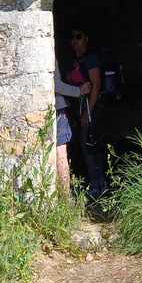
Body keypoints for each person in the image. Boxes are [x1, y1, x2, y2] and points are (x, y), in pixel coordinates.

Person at [63, 27, 107, 201]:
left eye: (78, 36)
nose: (75, 41)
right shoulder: (76, 61)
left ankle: (99, 186)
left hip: (91, 109)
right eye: (72, 38)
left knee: (90, 145)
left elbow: (96, 85)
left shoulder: (91, 59)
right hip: (79, 109)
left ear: (86, 38)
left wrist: (87, 113)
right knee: (85, 145)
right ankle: (95, 183)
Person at [53, 62, 89, 195]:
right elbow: (55, 84)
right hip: (57, 108)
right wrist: (79, 91)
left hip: (48, 108)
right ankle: (65, 199)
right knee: (61, 152)